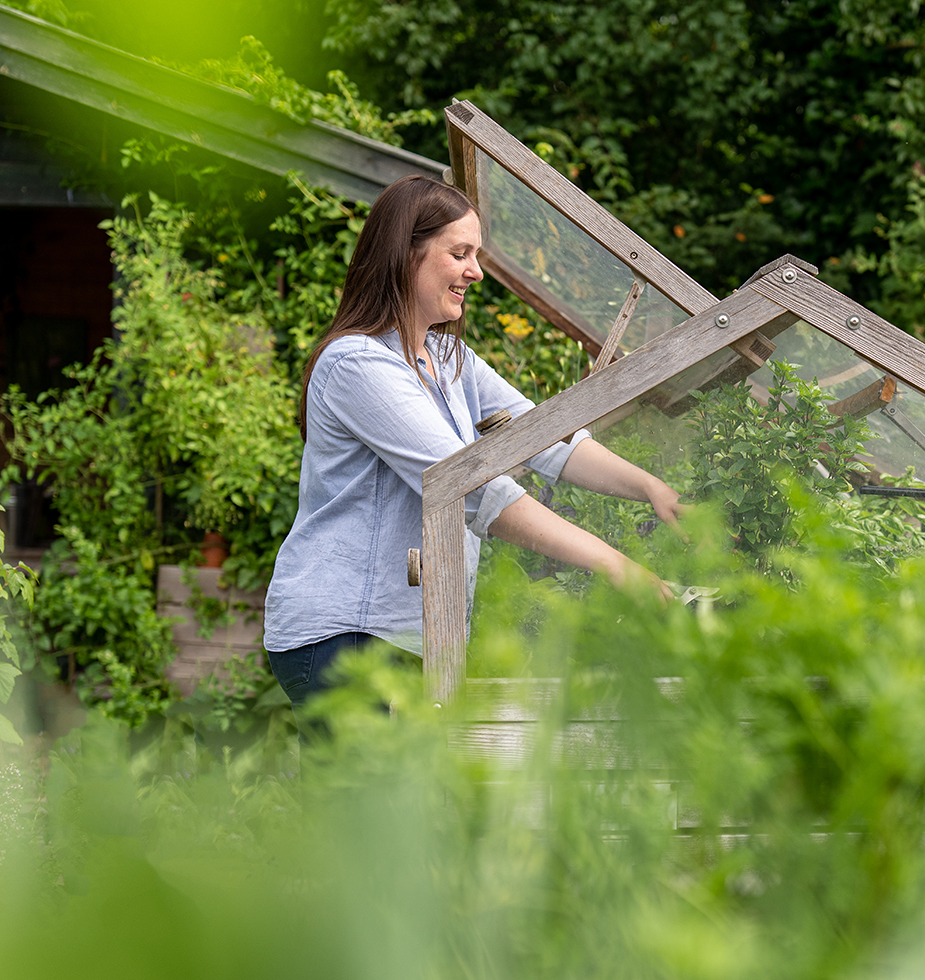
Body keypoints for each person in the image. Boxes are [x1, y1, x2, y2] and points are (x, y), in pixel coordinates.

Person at [263, 175, 680, 723]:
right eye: (459, 253)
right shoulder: (357, 366)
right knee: (368, 806)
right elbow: (471, 486)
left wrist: (653, 489)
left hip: (403, 636)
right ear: (404, 254)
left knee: (401, 807)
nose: (475, 272)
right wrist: (615, 566)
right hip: (345, 632)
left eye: (476, 254)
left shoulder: (447, 359)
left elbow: (545, 438)